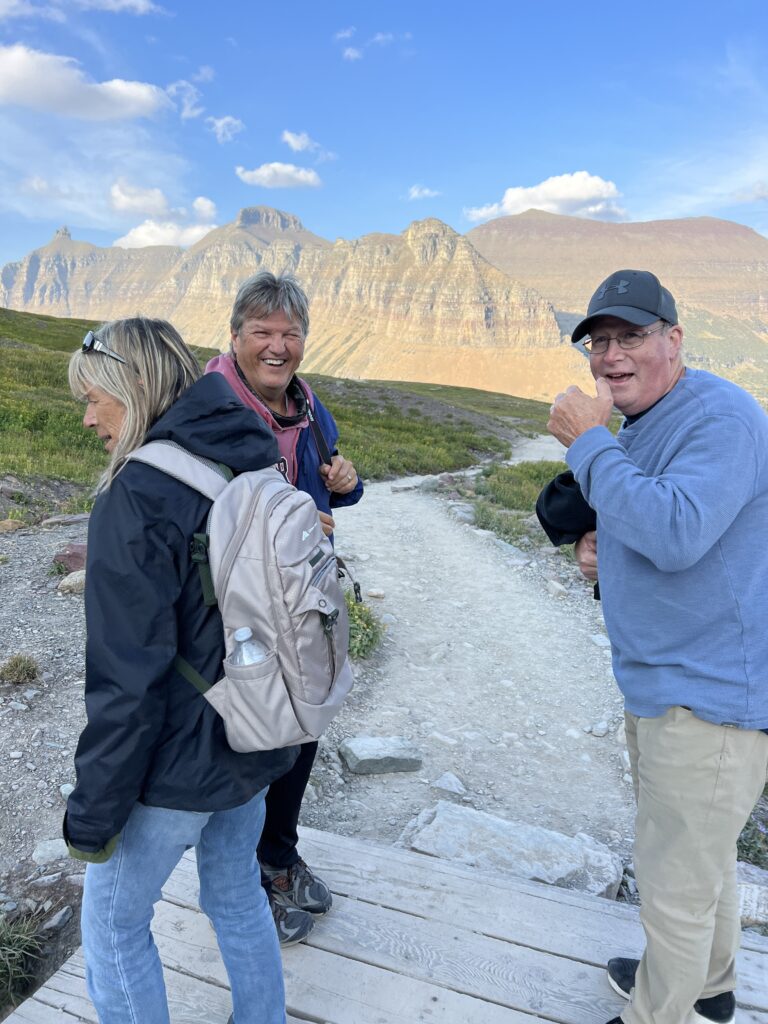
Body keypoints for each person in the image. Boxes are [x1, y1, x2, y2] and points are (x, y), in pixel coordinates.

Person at [542, 269, 768, 1024]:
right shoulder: (651, 418)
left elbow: (676, 532)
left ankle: (655, 1013)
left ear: (674, 339)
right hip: (666, 680)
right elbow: (660, 520)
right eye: (599, 342)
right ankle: (709, 986)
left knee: (672, 878)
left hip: (706, 697)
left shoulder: (721, 418)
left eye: (630, 337)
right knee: (699, 859)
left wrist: (590, 444)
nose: (610, 357)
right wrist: (597, 543)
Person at [66, 318, 297, 1024]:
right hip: (254, 731)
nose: (87, 418)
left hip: (178, 762)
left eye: (96, 397)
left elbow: (125, 683)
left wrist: (93, 816)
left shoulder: (136, 495)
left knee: (111, 926)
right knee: (233, 893)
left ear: (133, 386)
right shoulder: (247, 452)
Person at [206, 271, 364, 945]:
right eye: (262, 332)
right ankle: (240, 879)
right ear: (235, 336)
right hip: (238, 605)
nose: (277, 346)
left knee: (301, 729)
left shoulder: (308, 405)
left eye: (290, 333)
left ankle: (278, 853)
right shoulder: (209, 406)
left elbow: (333, 486)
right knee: (248, 735)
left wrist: (348, 486)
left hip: (302, 601)